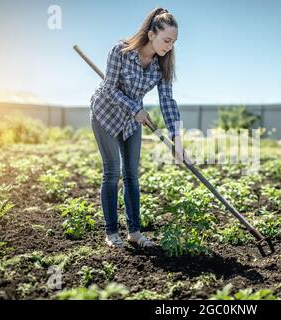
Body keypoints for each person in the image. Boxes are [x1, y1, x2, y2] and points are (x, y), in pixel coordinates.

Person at [90, 7, 180, 248]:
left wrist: (177, 137)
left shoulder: (162, 65)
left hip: (131, 122)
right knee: (112, 171)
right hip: (105, 114)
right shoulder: (120, 51)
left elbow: (167, 101)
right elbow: (109, 89)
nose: (169, 46)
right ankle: (111, 233)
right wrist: (134, 108)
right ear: (151, 34)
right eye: (166, 40)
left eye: (173, 42)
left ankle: (135, 233)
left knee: (132, 175)